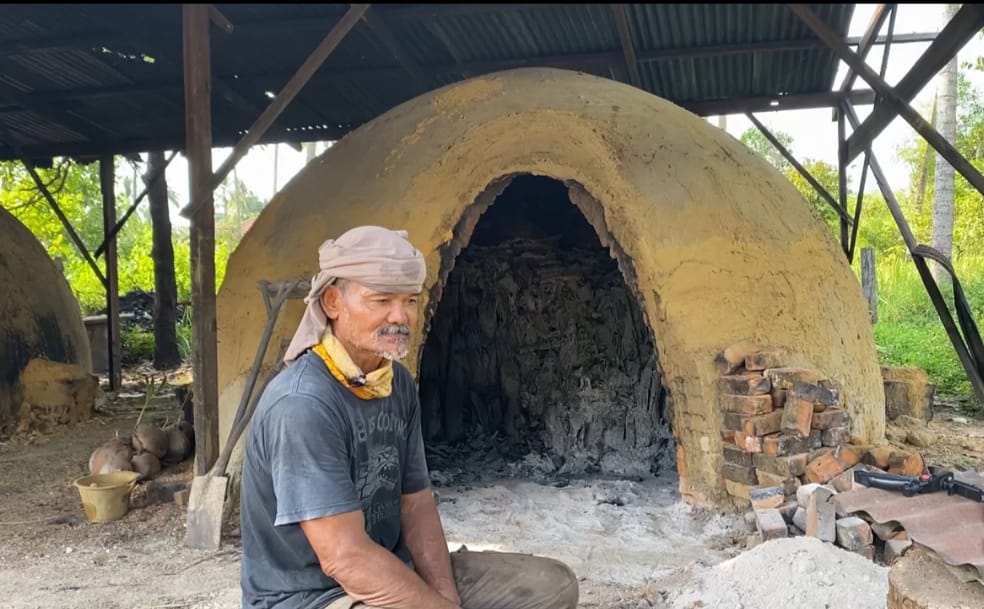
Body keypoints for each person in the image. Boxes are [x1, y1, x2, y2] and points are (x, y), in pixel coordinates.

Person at [240, 226, 579, 609]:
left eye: (411, 301)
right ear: (333, 302)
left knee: (552, 586)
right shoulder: (303, 404)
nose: (400, 317)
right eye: (381, 300)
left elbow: (415, 504)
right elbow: (345, 558)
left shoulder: (395, 382)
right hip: (315, 597)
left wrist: (446, 597)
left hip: (394, 568)